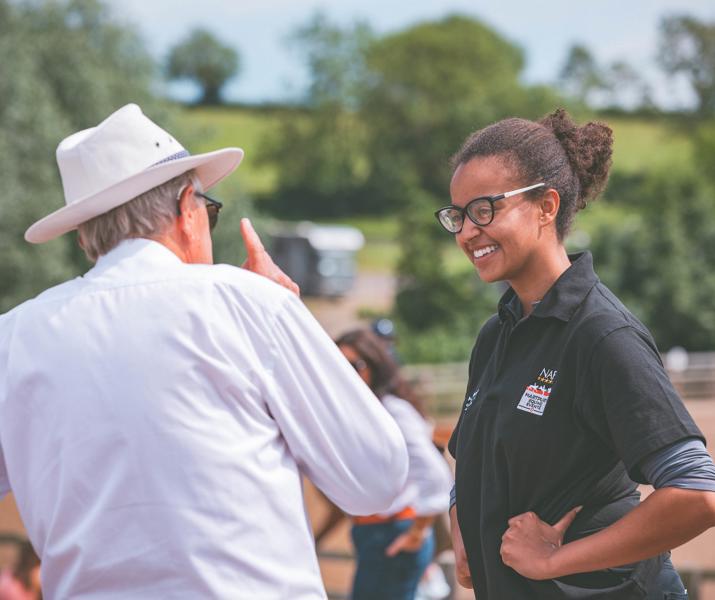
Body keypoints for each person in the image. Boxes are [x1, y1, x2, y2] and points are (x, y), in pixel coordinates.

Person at [0, 104, 409, 599]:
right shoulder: (244, 301)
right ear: (187, 207)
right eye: (210, 210)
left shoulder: (15, 335)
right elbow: (377, 478)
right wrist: (289, 315)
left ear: (87, 234)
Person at [438, 108, 715, 599]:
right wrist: (463, 527)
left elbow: (697, 491)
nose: (467, 232)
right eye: (457, 216)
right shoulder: (495, 335)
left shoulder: (602, 334)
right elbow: (468, 456)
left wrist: (553, 560)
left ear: (547, 206)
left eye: (484, 209)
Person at [315, 328, 453, 600]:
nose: (347, 373)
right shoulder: (361, 413)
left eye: (355, 365)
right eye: (338, 364)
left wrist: (416, 532)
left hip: (394, 532)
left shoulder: (392, 410)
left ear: (374, 366)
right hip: (372, 533)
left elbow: (436, 474)